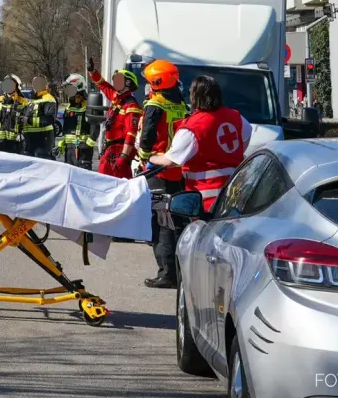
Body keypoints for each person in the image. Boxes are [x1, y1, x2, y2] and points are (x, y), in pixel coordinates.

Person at [150, 74, 251, 214]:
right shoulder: (235, 116)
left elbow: (170, 161)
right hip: (234, 197)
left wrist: (152, 158)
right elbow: (246, 136)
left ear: (195, 96)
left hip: (206, 203)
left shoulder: (193, 127)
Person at [134, 59, 188, 288]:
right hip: (177, 168)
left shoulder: (155, 104)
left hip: (157, 168)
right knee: (176, 221)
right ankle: (177, 269)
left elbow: (147, 137)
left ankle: (167, 273)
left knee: (161, 222)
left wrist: (143, 159)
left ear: (157, 81)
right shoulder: (181, 104)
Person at [87, 57, 143, 178]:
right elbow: (103, 85)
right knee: (102, 183)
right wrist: (92, 72)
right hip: (109, 151)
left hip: (120, 152)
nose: (115, 83)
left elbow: (131, 134)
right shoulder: (116, 98)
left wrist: (123, 156)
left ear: (128, 83)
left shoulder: (132, 106)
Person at [56, 87, 95, 168]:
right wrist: (64, 143)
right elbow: (67, 128)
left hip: (82, 148)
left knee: (82, 176)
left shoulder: (89, 107)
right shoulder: (68, 109)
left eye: (74, 95)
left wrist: (87, 145)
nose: (72, 98)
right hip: (69, 148)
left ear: (81, 95)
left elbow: (95, 128)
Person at [22, 80, 59, 158]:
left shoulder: (49, 99)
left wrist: (28, 120)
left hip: (43, 141)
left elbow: (49, 119)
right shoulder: (31, 101)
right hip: (30, 140)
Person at [0, 75, 27, 152]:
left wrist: (23, 134)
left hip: (15, 140)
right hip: (0, 139)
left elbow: (26, 120)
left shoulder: (22, 101)